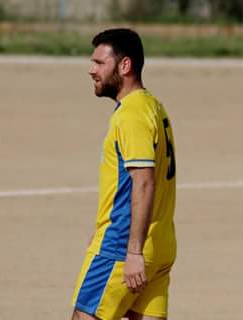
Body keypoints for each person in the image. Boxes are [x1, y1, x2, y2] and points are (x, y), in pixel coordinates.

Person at [71, 28, 177, 320]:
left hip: (123, 244)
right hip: (161, 242)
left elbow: (143, 182)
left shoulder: (131, 115)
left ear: (125, 66)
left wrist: (133, 252)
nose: (91, 70)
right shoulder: (153, 106)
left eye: (99, 63)